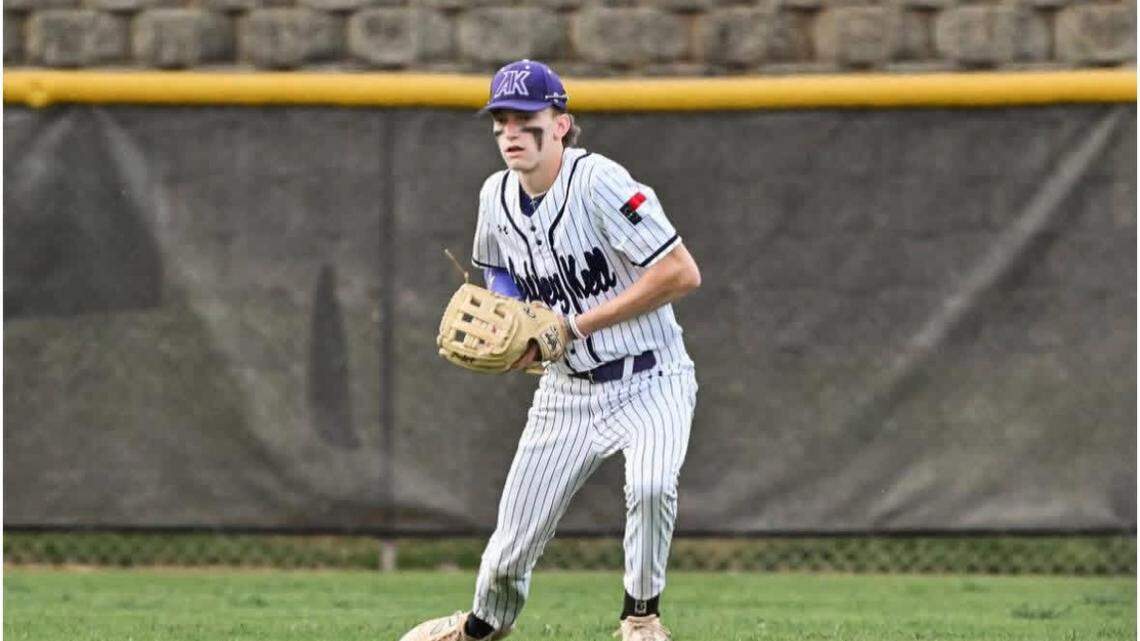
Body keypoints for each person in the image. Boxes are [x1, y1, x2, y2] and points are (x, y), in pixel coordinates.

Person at [401, 59, 701, 641]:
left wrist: (573, 325)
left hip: (652, 376)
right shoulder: (496, 195)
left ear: (560, 123)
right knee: (514, 538)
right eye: (501, 121)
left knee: (651, 485)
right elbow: (499, 274)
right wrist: (515, 321)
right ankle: (483, 627)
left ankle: (641, 619)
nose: (510, 132)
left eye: (525, 119)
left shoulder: (601, 182)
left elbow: (680, 273)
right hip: (565, 389)